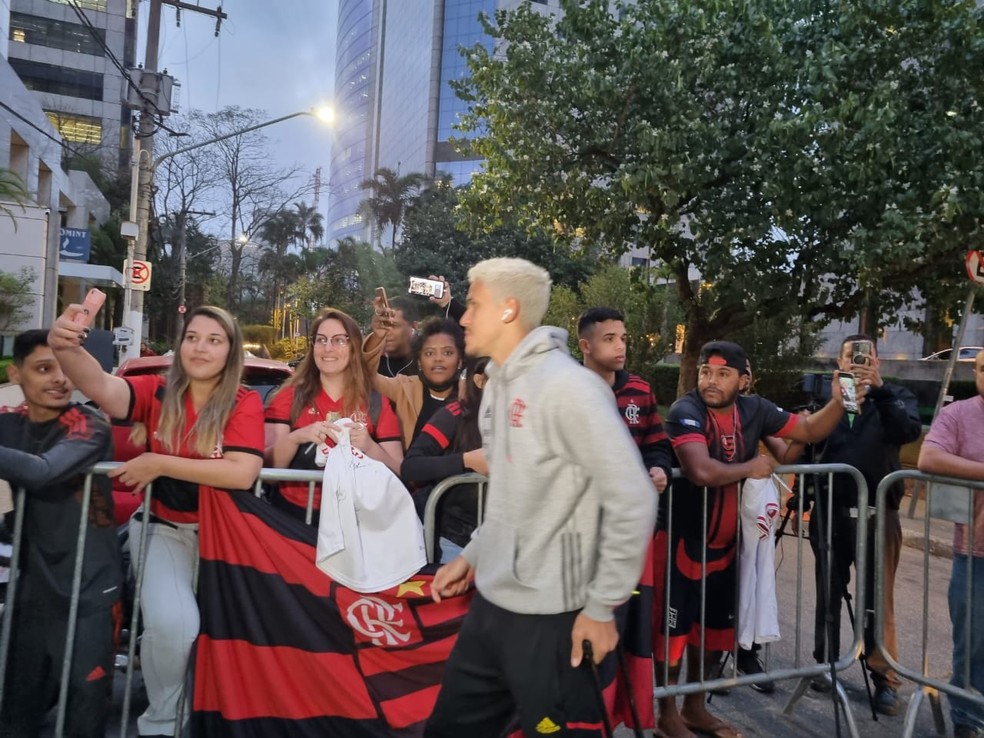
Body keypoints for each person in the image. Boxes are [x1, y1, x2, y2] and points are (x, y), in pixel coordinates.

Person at [425, 257, 656, 737]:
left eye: (473, 305)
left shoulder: (568, 387)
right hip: (491, 607)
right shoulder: (497, 388)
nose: (463, 317)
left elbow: (633, 498)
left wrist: (600, 607)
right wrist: (473, 555)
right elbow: (514, 497)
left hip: (555, 619)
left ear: (508, 310)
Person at [49, 304, 265, 738]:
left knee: (234, 642)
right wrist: (65, 346)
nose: (200, 347)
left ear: (230, 351)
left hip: (228, 539)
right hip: (163, 528)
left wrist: (159, 462)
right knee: (174, 625)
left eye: (214, 339)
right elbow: (103, 386)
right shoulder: (156, 390)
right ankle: (162, 725)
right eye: (192, 337)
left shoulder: (243, 402)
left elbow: (242, 472)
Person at [655, 340, 844, 738]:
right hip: (683, 543)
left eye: (723, 374)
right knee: (674, 634)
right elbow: (701, 472)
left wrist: (840, 401)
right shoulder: (685, 410)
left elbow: (807, 430)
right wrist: (752, 467)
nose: (710, 380)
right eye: (706, 371)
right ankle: (666, 716)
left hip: (729, 547)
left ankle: (694, 707)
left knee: (712, 635)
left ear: (743, 380)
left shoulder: (754, 408)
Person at [0, 330, 121, 738]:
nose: (59, 378)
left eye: (64, 367)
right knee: (16, 711)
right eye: (43, 368)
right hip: (31, 592)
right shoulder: (10, 422)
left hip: (89, 594)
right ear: (16, 374)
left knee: (82, 716)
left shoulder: (89, 423)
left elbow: (43, 471)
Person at [803, 335, 921, 716]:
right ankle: (826, 663)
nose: (858, 363)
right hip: (830, 511)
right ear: (838, 362)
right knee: (828, 595)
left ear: (878, 360)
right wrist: (836, 400)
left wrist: (882, 391)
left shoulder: (895, 395)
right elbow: (807, 440)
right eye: (850, 357)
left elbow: (907, 431)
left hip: (878, 513)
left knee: (878, 600)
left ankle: (883, 678)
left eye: (865, 356)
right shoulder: (827, 398)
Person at [264, 308, 403, 522]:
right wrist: (296, 438)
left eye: (339, 340)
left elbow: (398, 472)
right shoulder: (288, 398)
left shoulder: (376, 403)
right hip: (293, 522)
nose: (328, 348)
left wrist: (369, 446)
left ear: (354, 348)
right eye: (321, 340)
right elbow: (268, 470)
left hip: (357, 524)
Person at [918, 349, 984, 738]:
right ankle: (968, 720)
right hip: (974, 553)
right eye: (981, 368)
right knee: (973, 644)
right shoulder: (958, 414)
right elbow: (928, 458)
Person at [401, 356, 489, 562]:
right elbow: (411, 466)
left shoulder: (523, 417)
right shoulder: (454, 415)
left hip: (510, 542)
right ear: (480, 381)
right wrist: (466, 461)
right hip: (457, 543)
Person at [577, 306, 672, 491]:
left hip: (630, 511)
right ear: (586, 346)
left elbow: (656, 445)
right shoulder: (565, 390)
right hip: (580, 511)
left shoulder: (640, 390)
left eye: (623, 338)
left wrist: (660, 468)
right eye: (609, 339)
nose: (620, 346)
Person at [366, 314, 466, 449]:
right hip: (409, 469)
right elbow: (365, 375)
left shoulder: (471, 394)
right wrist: (378, 337)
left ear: (459, 361)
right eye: (429, 353)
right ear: (419, 362)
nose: (438, 359)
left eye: (447, 353)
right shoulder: (403, 388)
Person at [377, 296, 420, 377]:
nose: (386, 332)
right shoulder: (373, 364)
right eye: (383, 326)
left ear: (413, 327)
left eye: (394, 326)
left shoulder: (426, 364)